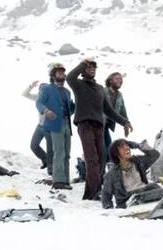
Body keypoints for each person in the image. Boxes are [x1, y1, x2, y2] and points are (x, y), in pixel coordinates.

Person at [67, 58, 133, 200]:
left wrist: (125, 122)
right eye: (89, 67)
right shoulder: (78, 84)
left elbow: (109, 110)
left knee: (102, 160)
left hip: (99, 126)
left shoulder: (99, 89)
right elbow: (69, 77)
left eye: (94, 67)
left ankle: (89, 193)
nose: (92, 68)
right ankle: (96, 192)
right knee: (92, 159)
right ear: (84, 70)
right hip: (85, 125)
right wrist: (82, 64)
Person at [36, 63, 75, 190]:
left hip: (66, 124)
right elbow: (39, 102)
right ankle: (58, 181)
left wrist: (77, 104)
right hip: (54, 124)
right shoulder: (47, 89)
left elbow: (70, 109)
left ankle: (66, 180)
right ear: (53, 75)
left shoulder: (67, 92)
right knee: (59, 152)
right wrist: (46, 111)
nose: (62, 74)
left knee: (67, 153)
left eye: (63, 72)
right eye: (59, 72)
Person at [101, 139, 163, 209]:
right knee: (153, 187)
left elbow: (155, 155)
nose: (127, 148)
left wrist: (139, 145)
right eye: (122, 147)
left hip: (144, 195)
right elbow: (106, 194)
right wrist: (110, 209)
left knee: (154, 186)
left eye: (127, 145)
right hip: (128, 203)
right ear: (116, 153)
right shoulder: (111, 174)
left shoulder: (138, 161)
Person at [22, 80, 53, 174]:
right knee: (34, 146)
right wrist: (31, 86)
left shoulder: (52, 99)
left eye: (44, 89)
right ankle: (45, 160)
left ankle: (51, 170)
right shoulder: (38, 98)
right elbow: (24, 94)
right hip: (40, 126)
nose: (42, 91)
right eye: (40, 89)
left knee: (50, 149)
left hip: (50, 127)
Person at [102, 72, 129, 167]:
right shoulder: (102, 91)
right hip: (99, 123)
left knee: (108, 147)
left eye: (121, 79)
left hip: (107, 125)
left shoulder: (119, 95)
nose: (120, 80)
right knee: (104, 148)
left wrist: (126, 124)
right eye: (117, 78)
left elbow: (122, 110)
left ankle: (107, 168)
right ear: (110, 80)